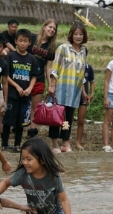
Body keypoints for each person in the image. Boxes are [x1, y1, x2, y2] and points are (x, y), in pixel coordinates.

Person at [0, 137, 79, 214]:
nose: (24, 162)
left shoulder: (53, 175)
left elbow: (64, 200)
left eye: (29, 159)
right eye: (23, 158)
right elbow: (5, 183)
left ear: (42, 160)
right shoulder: (23, 174)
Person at [48, 22, 87, 153]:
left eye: (81, 34)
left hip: (74, 91)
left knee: (68, 118)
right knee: (56, 116)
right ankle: (54, 144)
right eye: (76, 34)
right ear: (71, 34)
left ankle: (65, 142)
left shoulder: (83, 51)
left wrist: (83, 92)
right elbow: (55, 68)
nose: (78, 36)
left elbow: (81, 74)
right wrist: (52, 86)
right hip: (61, 89)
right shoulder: (63, 48)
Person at [2, 28, 39, 151]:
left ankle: (18, 145)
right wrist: (17, 86)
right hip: (12, 94)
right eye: (20, 40)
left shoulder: (32, 59)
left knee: (20, 121)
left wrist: (29, 88)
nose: (23, 43)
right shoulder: (10, 57)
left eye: (25, 41)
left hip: (25, 95)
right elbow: (6, 76)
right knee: (8, 120)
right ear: (16, 41)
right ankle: (5, 144)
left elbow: (34, 76)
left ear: (29, 43)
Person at [27, 19, 57, 139]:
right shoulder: (32, 38)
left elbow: (48, 68)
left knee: (35, 107)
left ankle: (32, 132)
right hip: (24, 77)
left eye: (54, 29)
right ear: (44, 27)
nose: (52, 30)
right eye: (50, 27)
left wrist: (50, 85)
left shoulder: (51, 47)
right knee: (22, 106)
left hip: (39, 79)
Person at [75, 60, 93, 150]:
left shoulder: (88, 68)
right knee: (67, 120)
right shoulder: (73, 66)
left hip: (83, 98)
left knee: (81, 121)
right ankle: (66, 141)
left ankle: (78, 142)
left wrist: (92, 93)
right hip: (73, 95)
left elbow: (92, 81)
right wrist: (84, 92)